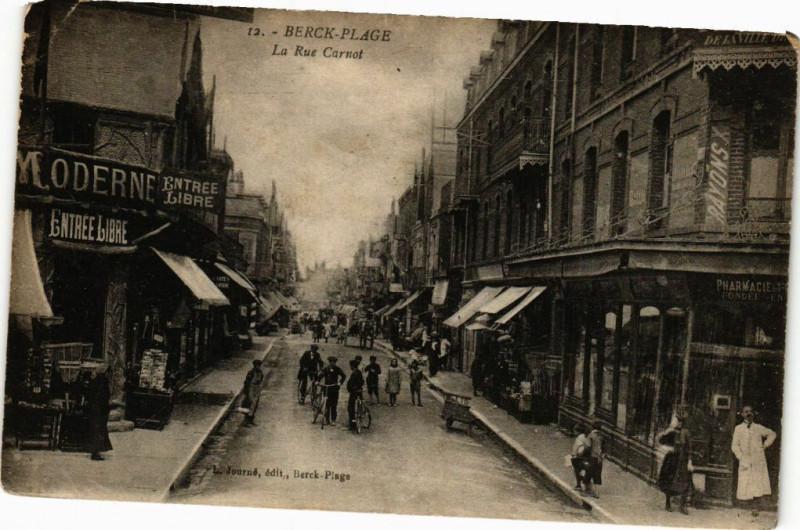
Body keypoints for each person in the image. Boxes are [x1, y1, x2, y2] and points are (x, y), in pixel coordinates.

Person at [732, 405, 777, 516]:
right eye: (746, 412)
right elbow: (734, 445)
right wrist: (740, 457)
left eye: (751, 411)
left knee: (757, 483)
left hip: (757, 460)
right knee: (746, 482)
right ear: (742, 414)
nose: (749, 414)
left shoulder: (758, 427)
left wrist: (765, 445)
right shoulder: (738, 428)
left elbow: (773, 434)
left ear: (753, 414)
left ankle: (755, 507)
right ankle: (746, 505)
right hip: (745, 459)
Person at [657, 411, 693, 514]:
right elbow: (661, 441)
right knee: (669, 480)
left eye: (681, 421)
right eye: (678, 420)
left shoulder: (686, 432)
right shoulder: (671, 431)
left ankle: (683, 506)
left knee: (685, 481)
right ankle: (668, 503)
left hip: (683, 459)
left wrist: (689, 461)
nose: (679, 423)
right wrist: (666, 432)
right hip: (672, 459)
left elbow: (689, 448)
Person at [86, 363, 113, 461]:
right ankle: (95, 453)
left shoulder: (95, 380)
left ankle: (95, 451)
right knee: (98, 431)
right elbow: (103, 396)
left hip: (95, 408)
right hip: (99, 409)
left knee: (96, 430)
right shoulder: (102, 381)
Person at [317, 356, 346, 426]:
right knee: (327, 404)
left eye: (334, 362)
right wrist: (317, 381)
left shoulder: (337, 369)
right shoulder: (326, 369)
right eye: (331, 362)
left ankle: (333, 419)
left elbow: (343, 376)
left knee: (334, 405)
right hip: (327, 388)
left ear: (335, 363)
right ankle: (327, 419)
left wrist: (340, 382)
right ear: (329, 362)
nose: (332, 363)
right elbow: (320, 376)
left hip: (334, 388)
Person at [584, 421, 604, 498]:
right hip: (599, 458)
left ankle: (586, 491)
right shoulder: (602, 436)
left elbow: (587, 447)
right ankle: (597, 492)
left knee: (588, 473)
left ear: (592, 427)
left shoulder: (590, 436)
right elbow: (604, 449)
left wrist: (585, 458)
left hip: (591, 457)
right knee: (597, 475)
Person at [242, 358, 264, 426]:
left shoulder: (260, 372)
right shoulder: (251, 372)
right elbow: (246, 382)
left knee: (254, 405)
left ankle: (251, 420)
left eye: (259, 365)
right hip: (251, 388)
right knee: (249, 404)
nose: (258, 367)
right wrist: (246, 392)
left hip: (256, 389)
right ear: (254, 366)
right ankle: (246, 421)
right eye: (256, 365)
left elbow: (260, 380)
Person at [346, 359, 365, 432]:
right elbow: (362, 382)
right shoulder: (359, 372)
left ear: (352, 366)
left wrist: (349, 389)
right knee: (359, 406)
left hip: (354, 392)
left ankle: (352, 424)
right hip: (359, 392)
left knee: (350, 408)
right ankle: (358, 419)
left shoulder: (354, 373)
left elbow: (350, 383)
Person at [571, 425, 589, 491]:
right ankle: (583, 482)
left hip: (578, 457)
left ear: (578, 432)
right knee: (581, 470)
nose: (574, 432)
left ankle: (579, 485)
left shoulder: (579, 439)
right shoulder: (585, 438)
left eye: (575, 431)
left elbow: (577, 448)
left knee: (577, 470)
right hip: (584, 457)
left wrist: (574, 455)